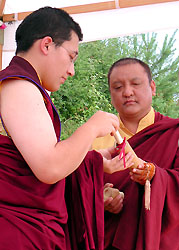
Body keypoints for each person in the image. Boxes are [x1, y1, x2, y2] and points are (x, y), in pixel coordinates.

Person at [0, 8, 134, 250]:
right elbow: (49, 167)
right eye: (72, 56)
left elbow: (34, 160)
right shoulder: (17, 85)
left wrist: (91, 160)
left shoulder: (26, 87)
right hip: (15, 231)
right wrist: (91, 127)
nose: (72, 70)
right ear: (47, 44)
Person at [92, 58, 179, 250]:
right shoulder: (94, 136)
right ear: (111, 93)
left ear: (152, 87)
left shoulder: (175, 133)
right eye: (117, 87)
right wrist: (100, 198)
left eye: (136, 84)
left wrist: (155, 175)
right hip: (108, 240)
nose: (127, 92)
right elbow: (75, 190)